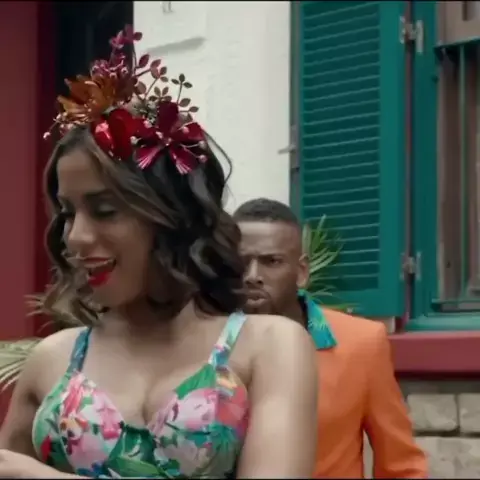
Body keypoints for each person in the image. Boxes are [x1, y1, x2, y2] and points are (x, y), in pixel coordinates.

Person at [0, 27, 318, 479]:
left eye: (105, 210)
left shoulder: (267, 347)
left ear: (173, 215)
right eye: (68, 213)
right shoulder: (51, 361)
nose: (75, 237)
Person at [233, 198, 428, 479]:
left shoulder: (360, 343)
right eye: (240, 263)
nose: (252, 276)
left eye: (271, 262)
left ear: (302, 272)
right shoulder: (203, 342)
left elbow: (402, 467)